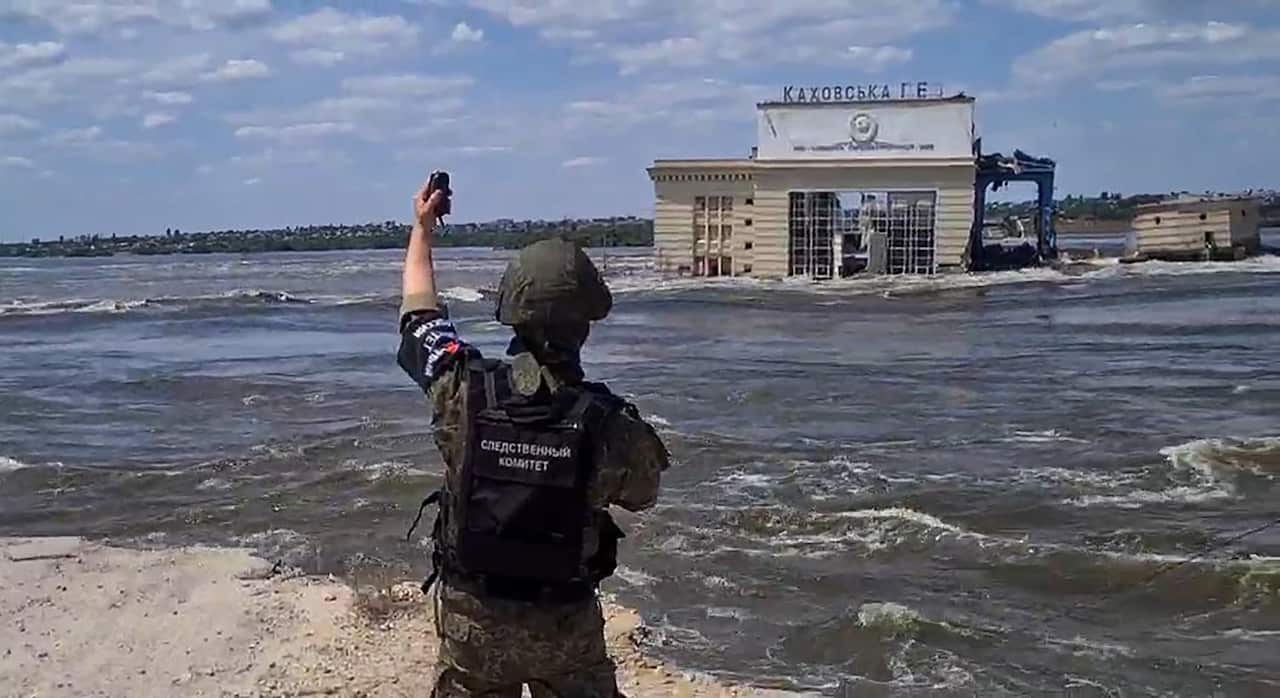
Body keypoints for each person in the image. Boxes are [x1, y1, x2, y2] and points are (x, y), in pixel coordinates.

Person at [397, 176, 670, 697]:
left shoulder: (461, 388)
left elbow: (418, 316)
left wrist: (422, 229)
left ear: (510, 311)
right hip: (565, 627)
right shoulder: (609, 423)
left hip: (472, 622)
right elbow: (643, 493)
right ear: (586, 323)